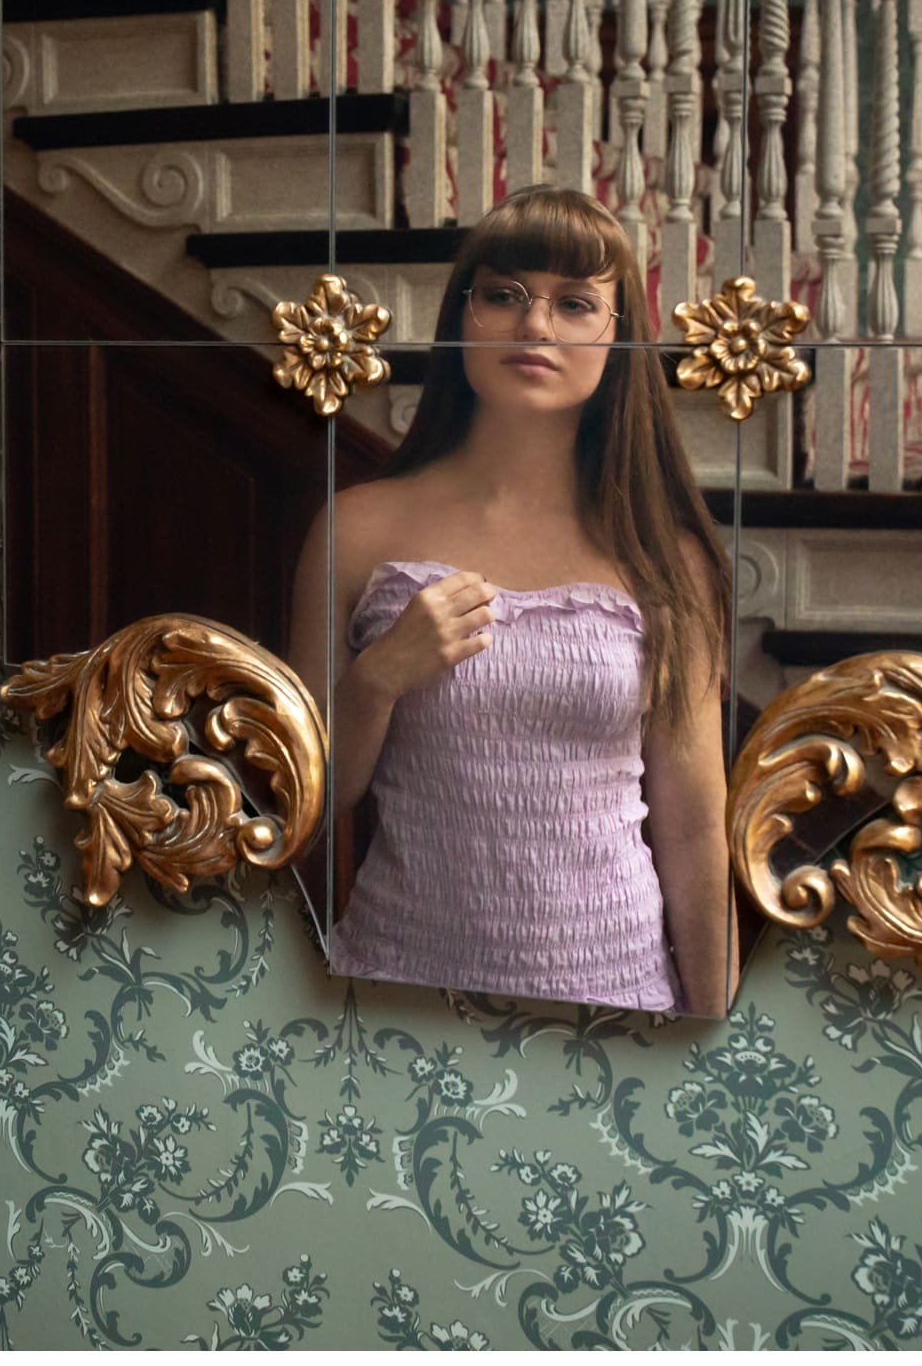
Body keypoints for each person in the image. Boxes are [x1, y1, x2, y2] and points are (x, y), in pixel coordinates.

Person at [289, 187, 734, 1017]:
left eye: (574, 304)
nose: (535, 327)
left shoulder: (666, 557)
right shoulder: (357, 529)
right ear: (465, 315)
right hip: (396, 992)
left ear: (618, 338)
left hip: (616, 1002)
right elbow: (306, 809)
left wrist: (713, 1044)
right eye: (505, 295)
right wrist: (378, 678)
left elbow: (694, 831)